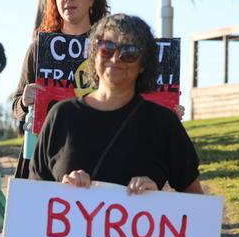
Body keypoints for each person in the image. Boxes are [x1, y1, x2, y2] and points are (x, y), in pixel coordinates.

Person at [30, 13, 204, 197]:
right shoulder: (61, 115)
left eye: (129, 53)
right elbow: (32, 199)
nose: (115, 58)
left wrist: (156, 199)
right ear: (94, 55)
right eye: (107, 48)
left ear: (143, 64)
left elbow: (197, 205)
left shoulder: (163, 123)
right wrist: (62, 190)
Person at [11, 0, 110, 179]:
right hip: (44, 160)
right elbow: (16, 107)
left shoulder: (110, 51)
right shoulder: (39, 49)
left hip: (97, 158)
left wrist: (164, 110)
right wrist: (24, 101)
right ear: (53, 0)